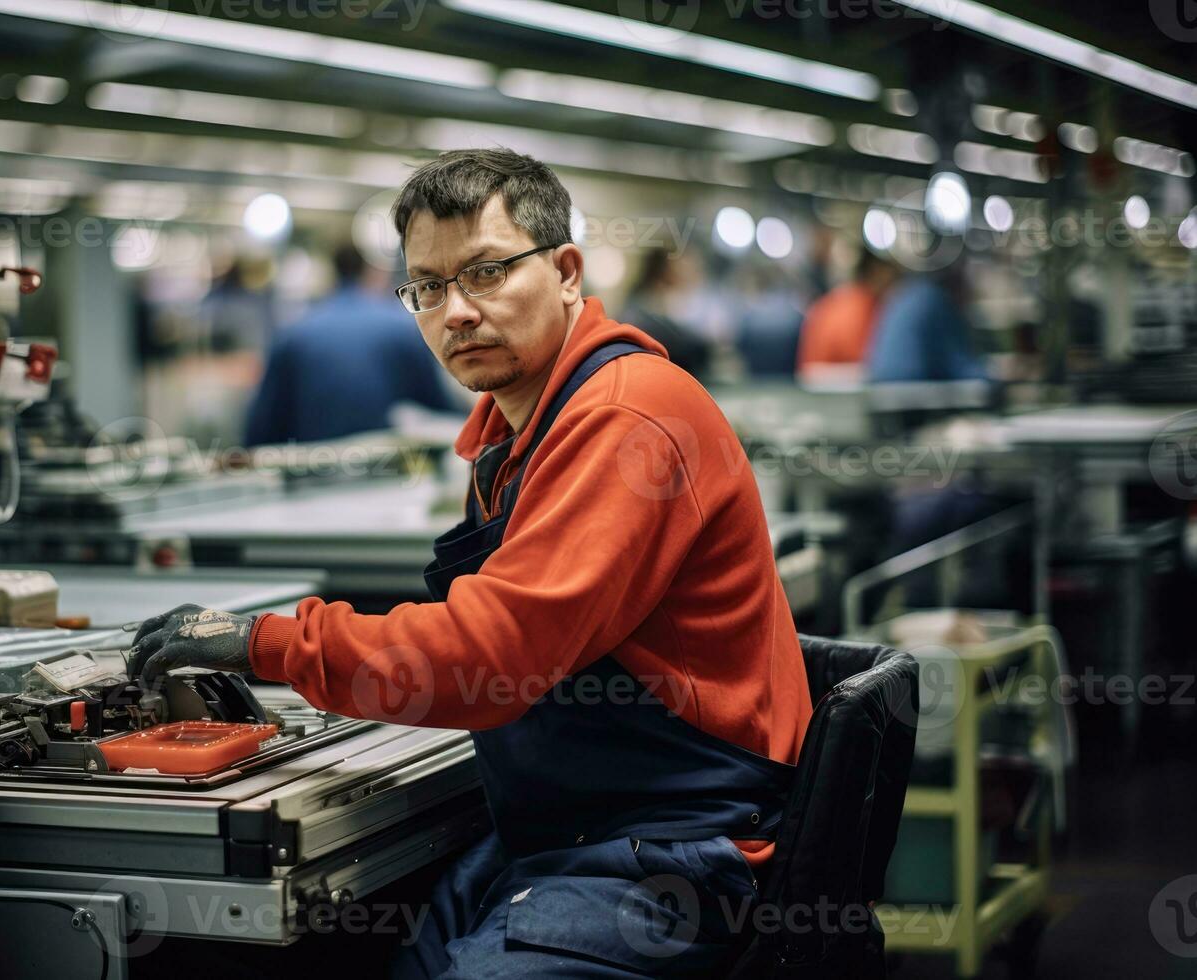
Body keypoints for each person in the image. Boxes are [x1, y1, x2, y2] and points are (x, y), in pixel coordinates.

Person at [129, 149, 812, 977]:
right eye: (428, 286)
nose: (455, 311)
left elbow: (493, 652)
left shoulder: (629, 417)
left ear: (566, 272)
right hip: (569, 831)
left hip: (678, 848)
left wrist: (263, 643)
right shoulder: (512, 439)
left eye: (486, 273)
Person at [244, 245, 453, 445]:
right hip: (390, 472)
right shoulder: (403, 327)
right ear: (369, 271)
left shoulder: (293, 333)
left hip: (313, 470)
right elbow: (440, 410)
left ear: (333, 272)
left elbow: (262, 428)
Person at [796, 248, 899, 383]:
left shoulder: (833, 301)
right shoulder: (862, 306)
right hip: (837, 394)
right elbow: (866, 365)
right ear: (877, 271)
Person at [865, 272, 987, 383]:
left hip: (882, 390)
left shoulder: (904, 293)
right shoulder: (935, 300)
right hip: (914, 394)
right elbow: (961, 366)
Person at [619, 246, 713, 376]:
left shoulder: (668, 302)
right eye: (679, 265)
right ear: (665, 270)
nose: (684, 271)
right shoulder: (645, 307)